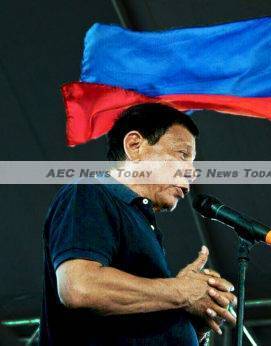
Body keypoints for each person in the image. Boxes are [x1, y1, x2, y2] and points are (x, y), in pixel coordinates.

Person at [40, 103, 237, 345]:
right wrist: (182, 291)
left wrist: (190, 321)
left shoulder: (143, 222)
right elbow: (79, 286)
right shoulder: (90, 191)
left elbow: (136, 324)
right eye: (182, 155)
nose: (192, 172)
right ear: (134, 145)